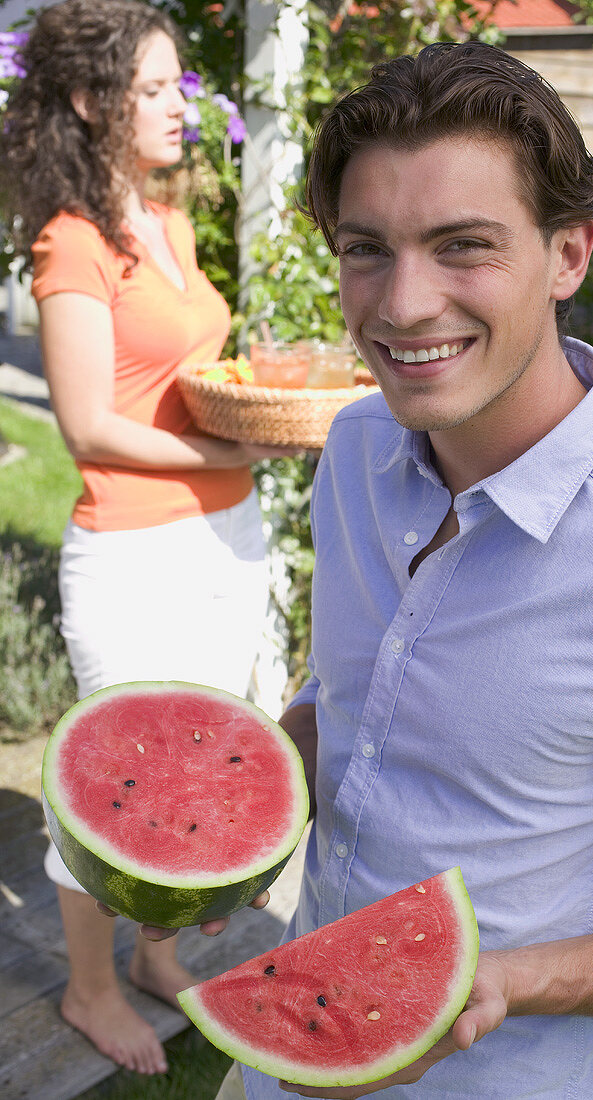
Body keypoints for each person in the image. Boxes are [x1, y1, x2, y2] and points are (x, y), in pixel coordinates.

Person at [197, 41, 593, 1100]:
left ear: (569, 253)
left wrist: (507, 981)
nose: (401, 305)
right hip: (279, 1061)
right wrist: (252, 791)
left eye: (463, 246)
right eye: (366, 249)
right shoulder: (354, 451)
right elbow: (345, 690)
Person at [0, 0, 289, 1077]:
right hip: (133, 551)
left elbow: (178, 381)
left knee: (204, 770)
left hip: (225, 535)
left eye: (183, 86)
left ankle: (158, 957)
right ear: (90, 101)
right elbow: (87, 425)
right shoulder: (68, 240)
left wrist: (253, 402)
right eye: (157, 89)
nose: (183, 107)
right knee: (113, 781)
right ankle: (87, 985)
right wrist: (234, 457)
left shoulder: (166, 218)